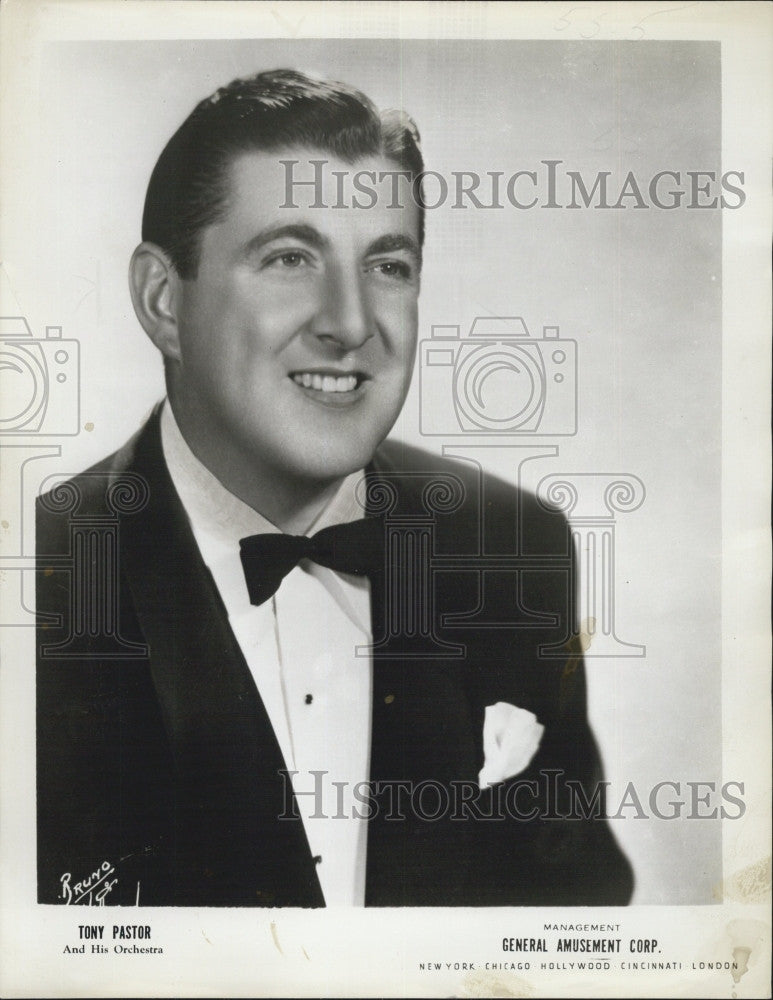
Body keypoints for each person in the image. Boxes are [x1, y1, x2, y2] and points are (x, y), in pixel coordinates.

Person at [36, 69, 633, 907]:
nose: (350, 324)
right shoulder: (39, 572)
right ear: (164, 301)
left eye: (387, 265)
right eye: (288, 257)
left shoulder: (515, 545)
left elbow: (576, 915)